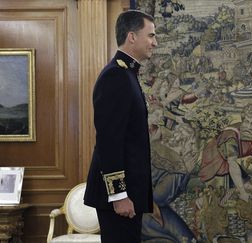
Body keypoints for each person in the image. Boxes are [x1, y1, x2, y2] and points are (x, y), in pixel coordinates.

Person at [83, 10, 157, 243]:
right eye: (151, 35)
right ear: (132, 37)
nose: (155, 42)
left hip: (128, 193)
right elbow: (109, 142)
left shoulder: (127, 74)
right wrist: (118, 194)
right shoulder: (115, 76)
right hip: (119, 197)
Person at [199, 104, 252, 202]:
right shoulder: (231, 136)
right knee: (222, 193)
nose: (248, 127)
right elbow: (232, 163)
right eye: (246, 122)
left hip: (229, 160)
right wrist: (242, 192)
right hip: (216, 160)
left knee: (249, 187)